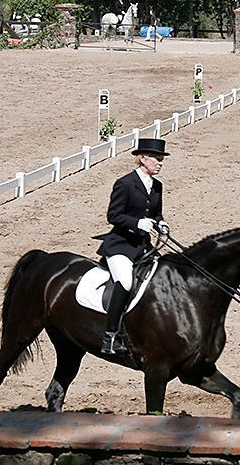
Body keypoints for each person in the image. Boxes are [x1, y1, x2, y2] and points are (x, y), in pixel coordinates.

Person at [94, 137, 170, 355]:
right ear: (143, 158)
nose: (160, 163)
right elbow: (114, 215)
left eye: (162, 159)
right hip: (120, 245)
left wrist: (160, 222)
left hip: (143, 247)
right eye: (157, 159)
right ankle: (110, 336)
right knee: (125, 281)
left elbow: (155, 213)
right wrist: (137, 223)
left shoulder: (157, 186)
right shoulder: (125, 183)